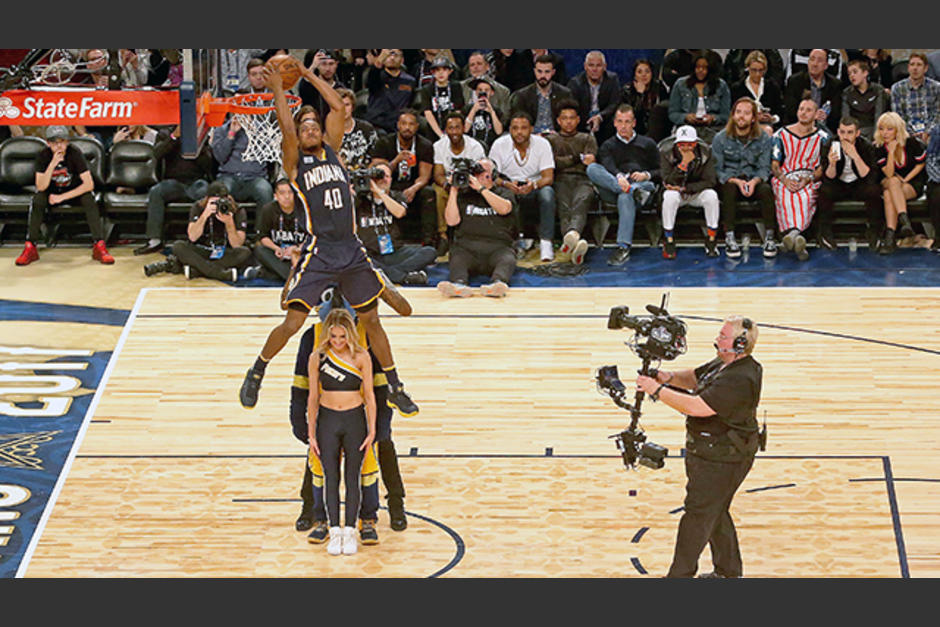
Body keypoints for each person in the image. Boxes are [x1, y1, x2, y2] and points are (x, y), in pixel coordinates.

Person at [239, 55, 418, 419]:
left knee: (372, 321)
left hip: (351, 250)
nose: (309, 129)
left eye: (313, 125)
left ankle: (396, 387)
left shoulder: (333, 152)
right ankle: (257, 371)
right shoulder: (295, 163)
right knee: (292, 322)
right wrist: (278, 88)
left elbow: (336, 105)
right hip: (319, 251)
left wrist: (307, 73)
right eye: (303, 126)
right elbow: (286, 128)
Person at [636, 315, 763, 578]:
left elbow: (697, 407)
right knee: (716, 511)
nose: (718, 339)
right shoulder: (725, 362)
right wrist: (667, 377)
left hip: (724, 459)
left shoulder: (740, 378)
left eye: (723, 336)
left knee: (697, 515)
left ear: (740, 344)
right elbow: (695, 378)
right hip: (712, 452)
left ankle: (680, 576)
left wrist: (656, 390)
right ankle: (728, 572)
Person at [292, 286, 409, 544]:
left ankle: (393, 505)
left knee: (381, 450)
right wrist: (299, 418)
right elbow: (302, 384)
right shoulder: (312, 337)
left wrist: (380, 421)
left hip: (361, 411)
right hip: (326, 413)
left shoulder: (369, 334)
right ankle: (312, 511)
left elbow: (382, 380)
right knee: (318, 460)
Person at [305, 306, 376, 555]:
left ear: (350, 334)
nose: (337, 341)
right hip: (327, 421)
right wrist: (311, 433)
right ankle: (334, 530)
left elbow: (370, 396)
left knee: (352, 477)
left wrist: (372, 431)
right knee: (331, 477)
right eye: (333, 336)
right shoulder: (317, 357)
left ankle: (350, 531)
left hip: (355, 420)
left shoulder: (362, 357)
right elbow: (312, 398)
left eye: (342, 336)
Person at [15, 125, 114, 266]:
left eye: (62, 142)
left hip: (71, 192)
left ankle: (99, 245)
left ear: (67, 142)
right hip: (51, 192)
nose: (59, 146)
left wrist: (62, 197)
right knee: (38, 199)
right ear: (48, 143)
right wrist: (53, 164)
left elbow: (89, 184)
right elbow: (41, 186)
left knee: (89, 198)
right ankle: (30, 246)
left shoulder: (75, 153)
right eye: (54, 143)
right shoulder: (43, 155)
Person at [585, 104, 660, 265]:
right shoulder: (607, 145)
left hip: (642, 188)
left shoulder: (648, 143)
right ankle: (629, 190)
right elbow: (607, 165)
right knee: (592, 168)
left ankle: (623, 247)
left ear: (634, 123)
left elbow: (661, 171)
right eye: (620, 121)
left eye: (627, 122)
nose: (623, 126)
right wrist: (619, 178)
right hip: (615, 187)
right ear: (614, 123)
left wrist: (646, 174)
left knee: (627, 195)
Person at [437, 158, 517, 298]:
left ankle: (497, 284)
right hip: (467, 248)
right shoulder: (464, 195)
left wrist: (481, 189)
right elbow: (451, 221)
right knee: (457, 257)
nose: (476, 176)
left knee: (507, 259)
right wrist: (454, 190)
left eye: (481, 171)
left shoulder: (503, 193)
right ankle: (459, 285)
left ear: (492, 175)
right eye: (475, 172)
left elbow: (504, 209)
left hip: (497, 247)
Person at [711, 98, 777, 259]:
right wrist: (736, 181)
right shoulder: (720, 138)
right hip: (731, 180)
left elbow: (764, 167)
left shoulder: (763, 138)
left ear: (753, 118)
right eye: (738, 112)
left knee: (766, 190)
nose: (741, 116)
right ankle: (730, 237)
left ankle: (770, 237)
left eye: (747, 113)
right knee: (729, 190)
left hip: (753, 179)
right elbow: (717, 170)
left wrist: (754, 181)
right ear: (733, 115)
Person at [133, 124, 213, 256]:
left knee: (207, 193)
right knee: (156, 191)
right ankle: (155, 241)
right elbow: (157, 154)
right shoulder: (164, 133)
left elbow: (209, 164)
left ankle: (204, 238)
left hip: (196, 182)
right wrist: (174, 137)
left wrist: (197, 145)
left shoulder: (200, 134)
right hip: (174, 182)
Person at [487, 111, 557, 262]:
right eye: (515, 128)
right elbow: (490, 176)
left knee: (547, 193)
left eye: (523, 128)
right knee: (500, 194)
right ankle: (512, 242)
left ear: (531, 129)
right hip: (508, 185)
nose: (519, 132)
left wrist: (533, 185)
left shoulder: (542, 144)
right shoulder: (499, 144)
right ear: (510, 129)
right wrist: (505, 183)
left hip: (534, 185)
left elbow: (548, 177)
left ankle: (546, 243)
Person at [771, 96, 831, 262]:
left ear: (816, 114)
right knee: (785, 195)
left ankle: (791, 236)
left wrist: (808, 179)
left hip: (809, 178)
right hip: (785, 175)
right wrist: (784, 179)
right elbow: (774, 165)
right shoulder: (780, 134)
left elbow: (823, 167)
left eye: (808, 110)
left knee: (805, 197)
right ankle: (797, 237)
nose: (803, 113)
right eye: (801, 109)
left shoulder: (823, 137)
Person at [357, 163, 437, 285]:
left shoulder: (397, 196)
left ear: (391, 179)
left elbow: (399, 212)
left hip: (395, 252)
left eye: (387, 176)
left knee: (430, 252)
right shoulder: (360, 200)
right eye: (379, 176)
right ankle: (403, 277)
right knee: (358, 259)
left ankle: (387, 274)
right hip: (371, 253)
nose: (384, 179)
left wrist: (379, 192)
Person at [368, 108, 437, 246]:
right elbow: (377, 172)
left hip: (413, 185)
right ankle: (391, 238)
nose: (407, 128)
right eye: (404, 123)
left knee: (428, 192)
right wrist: (396, 161)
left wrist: (414, 188)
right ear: (398, 125)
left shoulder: (425, 145)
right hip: (390, 184)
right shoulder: (384, 143)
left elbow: (424, 177)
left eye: (411, 124)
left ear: (417, 126)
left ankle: (429, 241)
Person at [817, 116, 882, 251]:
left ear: (857, 133)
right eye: (842, 132)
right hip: (838, 183)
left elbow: (869, 176)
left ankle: (874, 232)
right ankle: (825, 233)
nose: (845, 136)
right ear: (838, 132)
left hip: (859, 183)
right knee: (824, 191)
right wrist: (832, 164)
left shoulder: (865, 146)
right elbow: (828, 177)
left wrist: (855, 156)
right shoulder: (830, 145)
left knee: (874, 191)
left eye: (850, 132)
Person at [546, 99, 598, 265]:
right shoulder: (551, 140)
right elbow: (553, 163)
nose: (568, 122)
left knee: (580, 203)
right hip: (560, 179)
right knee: (564, 206)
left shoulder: (587, 138)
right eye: (564, 118)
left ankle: (571, 238)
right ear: (558, 121)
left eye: (572, 118)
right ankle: (574, 241)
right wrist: (576, 158)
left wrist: (568, 160)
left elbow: (590, 161)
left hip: (583, 179)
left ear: (578, 120)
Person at [659, 125, 721, 259]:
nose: (686, 148)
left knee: (711, 196)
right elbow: (667, 180)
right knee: (669, 196)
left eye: (690, 144)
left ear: (695, 143)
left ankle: (711, 239)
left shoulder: (705, 153)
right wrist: (683, 165)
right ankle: (668, 240)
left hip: (695, 192)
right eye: (682, 144)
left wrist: (686, 188)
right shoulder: (666, 153)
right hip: (676, 193)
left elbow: (710, 181)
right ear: (676, 144)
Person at [171, 181, 252, 282]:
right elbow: (192, 237)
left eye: (222, 201)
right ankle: (220, 274)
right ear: (207, 199)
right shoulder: (198, 207)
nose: (218, 205)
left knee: (245, 252)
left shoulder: (237, 210)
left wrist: (229, 223)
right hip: (203, 249)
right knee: (178, 246)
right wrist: (205, 215)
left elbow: (237, 244)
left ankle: (198, 270)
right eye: (214, 202)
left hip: (225, 252)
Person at [432, 111, 487, 254]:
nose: (454, 132)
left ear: (464, 128)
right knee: (437, 192)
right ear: (445, 130)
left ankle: (472, 236)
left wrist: (468, 183)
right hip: (448, 185)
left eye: (457, 127)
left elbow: (481, 173)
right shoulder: (439, 146)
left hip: (471, 184)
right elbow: (438, 174)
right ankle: (443, 236)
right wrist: (448, 185)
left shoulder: (475, 147)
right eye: (450, 128)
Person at [873, 112, 927, 254]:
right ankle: (904, 220)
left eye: (889, 129)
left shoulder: (911, 143)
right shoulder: (879, 148)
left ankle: (890, 238)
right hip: (889, 181)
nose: (885, 133)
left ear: (898, 129)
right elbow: (889, 174)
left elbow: (921, 163)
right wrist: (891, 152)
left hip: (911, 184)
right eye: (881, 129)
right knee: (893, 181)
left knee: (889, 194)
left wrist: (907, 179)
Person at [211, 109, 275, 209]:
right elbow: (220, 157)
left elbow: (268, 155)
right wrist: (231, 134)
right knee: (219, 191)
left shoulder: (263, 130)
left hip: (255, 178)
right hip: (228, 177)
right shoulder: (221, 130)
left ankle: (262, 220)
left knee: (264, 190)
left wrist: (252, 131)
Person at [246, 178, 306, 282]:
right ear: (275, 196)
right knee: (260, 250)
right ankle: (295, 275)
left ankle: (265, 273)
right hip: (278, 255)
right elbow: (263, 237)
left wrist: (297, 249)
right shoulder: (268, 209)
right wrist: (276, 248)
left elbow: (313, 236)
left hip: (299, 253)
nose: (286, 196)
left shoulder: (304, 210)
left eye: (290, 192)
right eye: (282, 193)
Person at [667, 53, 732, 143]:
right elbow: (673, 113)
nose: (700, 70)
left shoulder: (721, 86)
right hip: (686, 129)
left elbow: (726, 115)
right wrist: (686, 117)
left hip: (713, 130)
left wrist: (713, 118)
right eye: (698, 67)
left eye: (704, 67)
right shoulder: (680, 84)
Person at [509, 54, 574, 135]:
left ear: (553, 72)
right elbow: (517, 122)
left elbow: (570, 120)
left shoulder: (564, 94)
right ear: (534, 71)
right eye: (539, 71)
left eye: (547, 72)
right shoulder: (522, 96)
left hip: (557, 137)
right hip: (530, 137)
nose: (543, 76)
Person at [566, 50, 621, 145]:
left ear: (605, 67)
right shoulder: (575, 83)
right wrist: (589, 121)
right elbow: (573, 107)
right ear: (585, 66)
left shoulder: (612, 79)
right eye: (591, 65)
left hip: (605, 123)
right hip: (582, 125)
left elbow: (615, 103)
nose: (594, 69)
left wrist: (600, 117)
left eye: (598, 65)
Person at [783, 49, 842, 135]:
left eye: (819, 61)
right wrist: (812, 115)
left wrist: (825, 115)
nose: (815, 64)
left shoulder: (835, 84)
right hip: (798, 126)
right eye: (812, 59)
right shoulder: (795, 81)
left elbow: (836, 114)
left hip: (824, 129)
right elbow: (791, 111)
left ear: (826, 65)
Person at [890, 53, 940, 148]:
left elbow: (938, 114)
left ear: (926, 68)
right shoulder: (897, 88)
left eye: (919, 65)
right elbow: (898, 116)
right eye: (912, 64)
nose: (915, 68)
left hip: (932, 133)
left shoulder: (936, 87)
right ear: (908, 68)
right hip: (906, 133)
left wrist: (928, 132)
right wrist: (911, 134)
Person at [729, 51, 784, 134]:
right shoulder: (737, 88)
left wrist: (772, 118)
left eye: (761, 70)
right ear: (747, 68)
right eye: (754, 70)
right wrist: (752, 117)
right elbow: (732, 113)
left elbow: (780, 111)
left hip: (769, 127)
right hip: (744, 127)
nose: (757, 74)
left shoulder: (772, 87)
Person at [364, 49, 416, 135]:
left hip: (398, 123)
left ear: (402, 60)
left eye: (395, 55)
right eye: (389, 55)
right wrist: (380, 59)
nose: (392, 58)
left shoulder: (410, 81)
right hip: (377, 123)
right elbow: (373, 74)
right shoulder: (375, 76)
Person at [414, 56, 465, 141]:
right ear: (432, 72)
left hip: (453, 129)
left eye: (444, 69)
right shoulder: (426, 89)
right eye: (437, 70)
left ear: (450, 71)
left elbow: (458, 111)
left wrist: (451, 131)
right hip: (433, 131)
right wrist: (441, 135)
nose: (441, 73)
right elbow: (428, 113)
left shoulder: (456, 87)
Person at [620, 58, 670, 141]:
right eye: (639, 72)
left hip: (657, 128)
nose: (644, 75)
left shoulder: (659, 87)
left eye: (647, 71)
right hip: (637, 129)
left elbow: (664, 111)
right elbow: (633, 116)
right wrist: (640, 95)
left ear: (652, 73)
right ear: (634, 75)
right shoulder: (627, 91)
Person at [841, 58, 889, 142]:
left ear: (865, 73)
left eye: (855, 72)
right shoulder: (847, 93)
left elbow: (879, 115)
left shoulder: (878, 90)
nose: (852, 76)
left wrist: (876, 137)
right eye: (849, 74)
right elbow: (846, 118)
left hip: (874, 131)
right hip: (855, 133)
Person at [333, 88, 379, 172]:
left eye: (347, 105)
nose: (343, 109)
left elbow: (377, 157)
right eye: (340, 105)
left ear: (353, 107)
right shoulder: (329, 131)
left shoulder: (367, 129)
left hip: (365, 175)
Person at [300, 49, 349, 127]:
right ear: (318, 65)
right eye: (324, 64)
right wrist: (313, 66)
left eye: (331, 64)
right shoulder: (312, 85)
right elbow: (304, 86)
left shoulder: (341, 88)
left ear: (336, 64)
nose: (328, 68)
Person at [459, 51, 511, 115]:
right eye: (472, 65)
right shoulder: (460, 87)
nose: (475, 67)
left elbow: (505, 116)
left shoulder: (502, 91)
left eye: (479, 64)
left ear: (487, 67)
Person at [463, 76, 506, 151]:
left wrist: (491, 112)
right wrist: (473, 111)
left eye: (486, 90)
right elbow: (465, 130)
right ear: (476, 92)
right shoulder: (468, 109)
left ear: (492, 92)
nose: (483, 92)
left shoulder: (496, 110)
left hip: (491, 148)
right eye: (480, 90)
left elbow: (499, 131)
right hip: (471, 148)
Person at [926, 134, 940, 253]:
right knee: (937, 196)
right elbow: (931, 163)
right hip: (937, 180)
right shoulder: (937, 133)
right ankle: (939, 237)